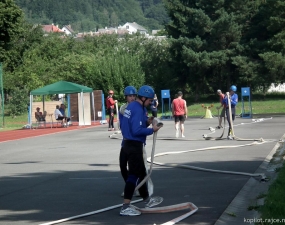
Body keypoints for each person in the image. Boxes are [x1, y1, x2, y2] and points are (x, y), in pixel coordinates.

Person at [119, 85, 163, 216]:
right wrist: (152, 129)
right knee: (133, 175)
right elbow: (136, 130)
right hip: (134, 145)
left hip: (127, 143)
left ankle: (147, 200)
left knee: (142, 173)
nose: (151, 103)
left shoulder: (132, 106)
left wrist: (147, 121)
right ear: (143, 98)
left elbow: (134, 123)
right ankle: (125, 206)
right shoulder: (138, 109)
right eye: (149, 100)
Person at [119, 86, 140, 197]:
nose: (132, 98)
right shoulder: (122, 109)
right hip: (125, 141)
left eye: (133, 96)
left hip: (135, 142)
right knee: (122, 166)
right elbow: (122, 124)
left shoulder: (138, 108)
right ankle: (130, 186)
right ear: (126, 97)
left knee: (136, 168)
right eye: (130, 96)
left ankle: (137, 189)